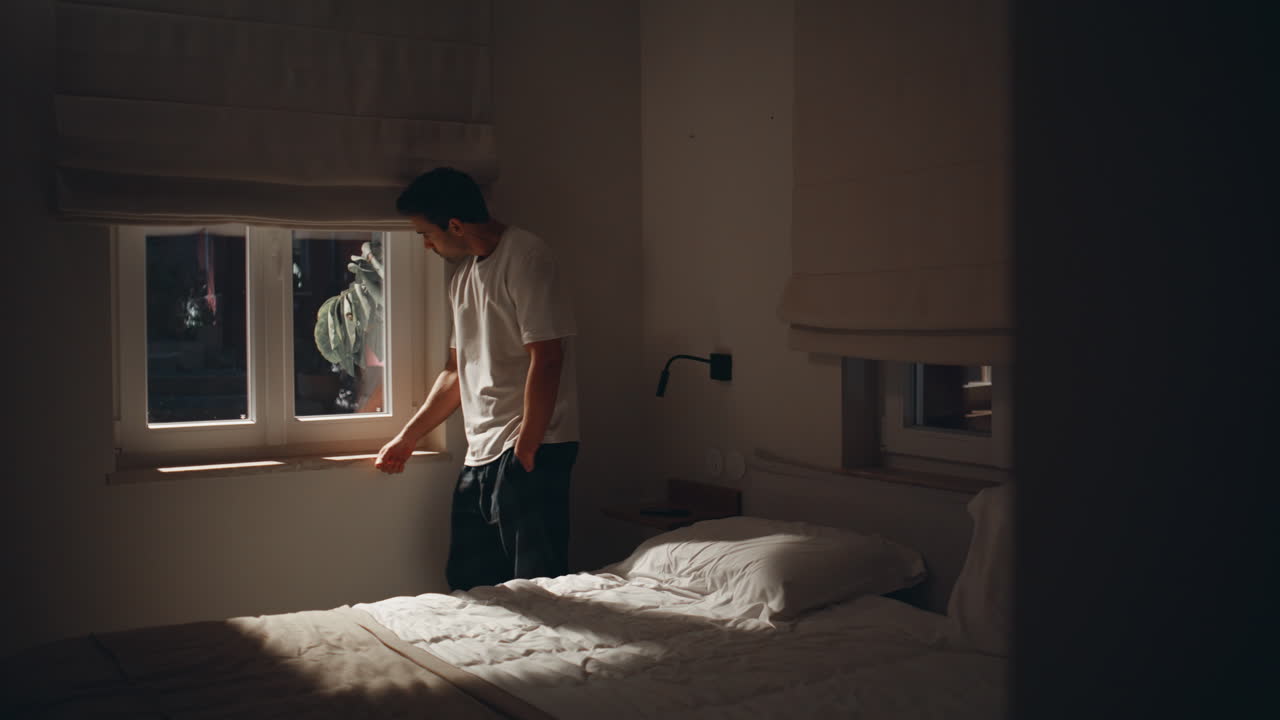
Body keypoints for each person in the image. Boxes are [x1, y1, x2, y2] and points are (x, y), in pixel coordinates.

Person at [374, 167, 580, 591]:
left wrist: (527, 446)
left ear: (455, 224)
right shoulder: (463, 276)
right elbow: (456, 370)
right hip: (481, 453)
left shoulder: (526, 256)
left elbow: (547, 357)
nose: (427, 244)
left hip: (527, 447)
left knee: (537, 587)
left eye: (426, 234)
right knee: (470, 585)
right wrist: (408, 438)